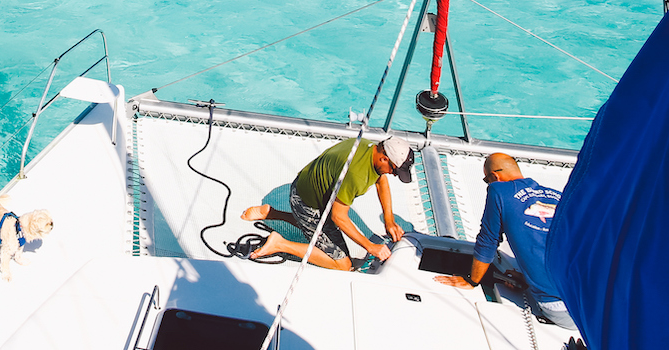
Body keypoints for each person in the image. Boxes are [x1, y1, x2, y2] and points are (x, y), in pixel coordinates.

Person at [434, 152, 576, 330]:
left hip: (561, 307)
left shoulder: (499, 190)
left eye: (487, 180)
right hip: (594, 297)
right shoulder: (558, 195)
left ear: (494, 176)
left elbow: (488, 240)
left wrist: (472, 280)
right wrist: (528, 277)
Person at [239, 135, 415, 270]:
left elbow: (380, 180)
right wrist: (371, 247)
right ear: (384, 158)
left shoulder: (368, 147)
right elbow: (339, 217)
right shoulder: (356, 175)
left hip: (305, 189)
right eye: (394, 170)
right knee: (343, 264)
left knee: (325, 230)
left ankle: (272, 213)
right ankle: (279, 244)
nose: (393, 174)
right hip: (306, 204)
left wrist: (389, 219)